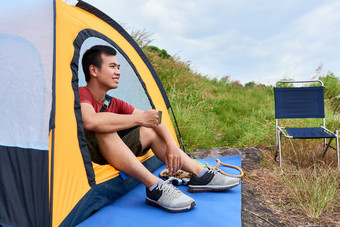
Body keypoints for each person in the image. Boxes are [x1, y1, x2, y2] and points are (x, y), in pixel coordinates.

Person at [79, 45, 240, 213]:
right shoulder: (82, 93)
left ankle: (200, 175)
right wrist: (140, 119)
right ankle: (155, 186)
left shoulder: (113, 102)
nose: (118, 72)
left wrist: (171, 145)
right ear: (94, 70)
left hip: (108, 151)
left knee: (150, 131)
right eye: (112, 66)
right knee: (104, 127)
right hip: (86, 154)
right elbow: (91, 121)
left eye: (118, 67)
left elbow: (155, 119)